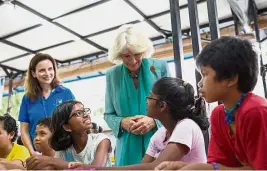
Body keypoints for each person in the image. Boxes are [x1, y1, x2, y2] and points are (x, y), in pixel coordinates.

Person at [155, 37, 267, 170]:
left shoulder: (255, 111)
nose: (200, 83)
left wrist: (205, 169)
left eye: (205, 74)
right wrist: (184, 166)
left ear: (231, 78)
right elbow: (220, 166)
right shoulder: (219, 114)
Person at [74, 77, 209, 170]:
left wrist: (93, 168)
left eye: (150, 96)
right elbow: (142, 167)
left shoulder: (186, 126)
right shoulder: (161, 134)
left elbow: (156, 167)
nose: (146, 101)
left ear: (162, 106)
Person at [104, 24, 170, 166]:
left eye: (137, 54)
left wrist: (153, 122)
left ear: (144, 50)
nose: (133, 61)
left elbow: (174, 106)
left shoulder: (160, 68)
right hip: (127, 147)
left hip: (159, 142)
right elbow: (108, 114)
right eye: (126, 56)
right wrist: (123, 122)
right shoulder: (112, 75)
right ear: (119, 55)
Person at [25, 100, 112, 170]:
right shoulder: (64, 150)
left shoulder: (101, 140)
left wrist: (51, 161)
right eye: (78, 113)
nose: (86, 115)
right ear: (67, 127)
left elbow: (98, 168)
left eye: (84, 111)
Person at [19, 53, 75, 156]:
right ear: (34, 73)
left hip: (64, 152)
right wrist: (32, 152)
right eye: (42, 70)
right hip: (39, 153)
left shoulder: (66, 93)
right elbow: (24, 130)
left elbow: (74, 123)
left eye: (50, 69)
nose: (47, 73)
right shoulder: (27, 98)